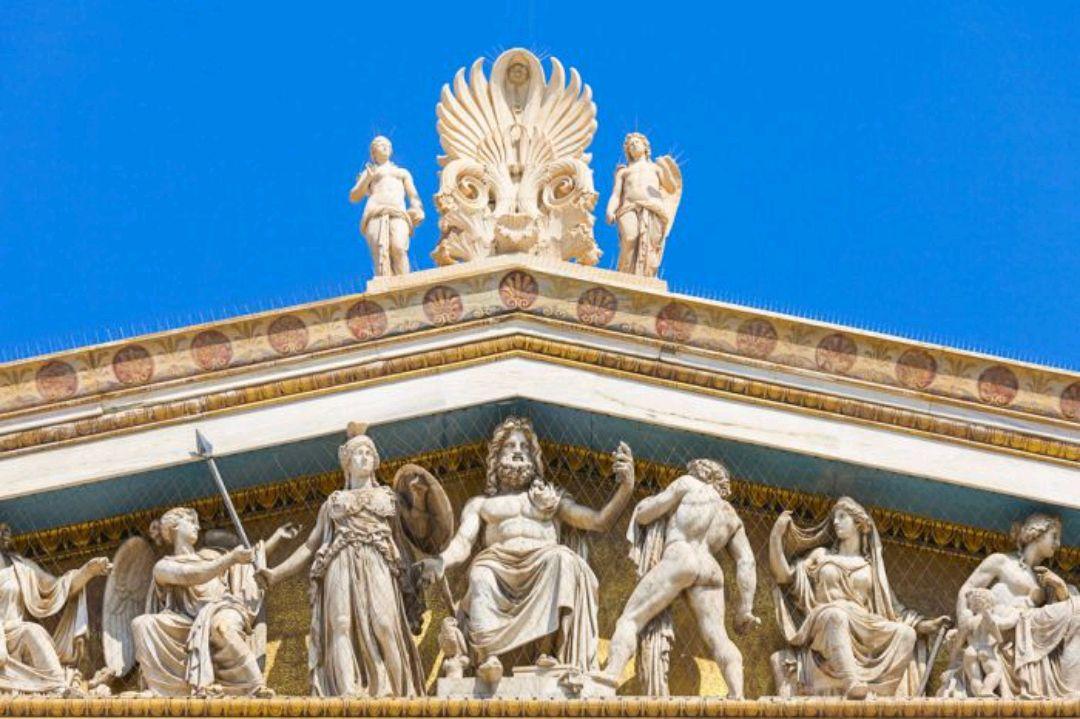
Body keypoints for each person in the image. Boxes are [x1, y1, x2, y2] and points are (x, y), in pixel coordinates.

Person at [418, 416, 635, 682]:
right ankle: (488, 658)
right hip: (498, 565)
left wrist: (626, 488)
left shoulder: (551, 498)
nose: (518, 451)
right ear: (496, 457)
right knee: (480, 573)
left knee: (562, 559)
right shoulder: (481, 504)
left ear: (534, 458)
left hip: (543, 562)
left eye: (524, 447)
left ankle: (547, 653)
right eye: (510, 446)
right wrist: (440, 561)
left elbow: (598, 522)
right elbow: (463, 542)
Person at [257, 425, 425, 697]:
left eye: (368, 452)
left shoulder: (388, 498)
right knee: (341, 623)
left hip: (378, 559)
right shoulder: (334, 502)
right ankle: (347, 694)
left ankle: (402, 694)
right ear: (347, 462)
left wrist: (420, 498)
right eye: (358, 453)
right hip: (340, 561)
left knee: (385, 624)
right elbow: (310, 545)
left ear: (375, 462)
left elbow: (413, 534)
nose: (364, 457)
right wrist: (276, 573)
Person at [601, 459, 759, 698]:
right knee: (719, 638)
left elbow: (644, 515)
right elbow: (746, 561)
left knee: (630, 619)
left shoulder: (687, 484)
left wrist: (644, 504)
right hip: (710, 569)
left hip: (681, 556)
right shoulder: (731, 516)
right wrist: (745, 608)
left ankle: (609, 676)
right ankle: (737, 695)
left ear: (703, 473)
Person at [768, 497, 949, 699]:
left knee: (906, 633)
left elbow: (895, 610)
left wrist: (927, 625)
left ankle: (880, 692)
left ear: (859, 524)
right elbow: (784, 577)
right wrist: (776, 537)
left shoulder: (870, 568)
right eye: (834, 517)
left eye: (842, 516)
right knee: (837, 615)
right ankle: (851, 682)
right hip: (825, 618)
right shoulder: (821, 555)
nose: (835, 522)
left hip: (863, 624)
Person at [131, 507, 292, 697]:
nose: (197, 527)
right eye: (191, 521)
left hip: (223, 607)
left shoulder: (211, 556)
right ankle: (165, 691)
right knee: (141, 623)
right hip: (185, 621)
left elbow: (250, 563)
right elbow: (194, 575)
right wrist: (231, 558)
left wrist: (277, 537)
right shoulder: (164, 566)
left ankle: (254, 687)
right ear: (174, 526)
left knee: (221, 627)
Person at [940, 513, 1080, 699]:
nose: (1058, 544)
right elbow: (967, 589)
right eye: (1054, 536)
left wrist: (1060, 586)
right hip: (1001, 626)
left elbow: (1063, 616)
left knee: (1074, 599)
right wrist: (963, 621)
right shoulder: (1001, 561)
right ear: (1037, 533)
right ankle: (1070, 692)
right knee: (1077, 605)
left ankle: (1071, 688)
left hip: (1024, 627)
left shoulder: (1044, 580)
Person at [0, 523, 110, 695]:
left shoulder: (20, 568)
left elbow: (59, 588)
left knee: (32, 631)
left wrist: (88, 571)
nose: (3, 533)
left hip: (14, 632)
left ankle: (59, 690)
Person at [605, 132, 682, 277]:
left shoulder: (655, 168)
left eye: (636, 142)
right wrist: (610, 210)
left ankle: (645, 277)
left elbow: (671, 187)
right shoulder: (624, 171)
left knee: (650, 247)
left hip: (653, 209)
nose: (633, 145)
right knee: (630, 238)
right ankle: (624, 275)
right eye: (630, 145)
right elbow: (616, 194)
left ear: (645, 147)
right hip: (628, 207)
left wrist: (665, 167)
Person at [349, 136, 424, 276]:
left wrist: (417, 207)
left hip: (398, 213)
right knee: (380, 252)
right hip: (375, 213)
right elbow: (354, 196)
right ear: (373, 152)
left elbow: (413, 194)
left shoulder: (401, 172)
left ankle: (405, 283)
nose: (385, 147)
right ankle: (385, 283)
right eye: (380, 145)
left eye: (388, 145)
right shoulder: (369, 172)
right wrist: (367, 178)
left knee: (399, 247)